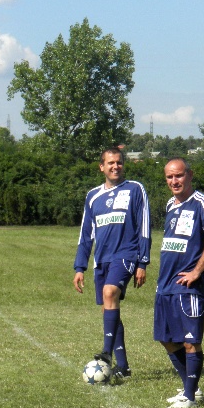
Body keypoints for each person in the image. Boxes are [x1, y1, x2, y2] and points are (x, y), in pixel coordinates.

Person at [74, 147, 151, 380]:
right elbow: (86, 234)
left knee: (110, 292)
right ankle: (123, 367)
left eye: (119, 162)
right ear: (102, 167)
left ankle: (106, 354)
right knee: (108, 308)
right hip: (102, 260)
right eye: (110, 163)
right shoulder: (93, 196)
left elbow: (144, 226)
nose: (115, 166)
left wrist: (142, 262)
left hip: (126, 254)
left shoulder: (135, 189)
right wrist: (79, 267)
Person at [156, 158, 204, 408]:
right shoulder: (170, 205)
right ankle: (191, 387)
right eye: (169, 177)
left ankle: (189, 396)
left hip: (188, 287)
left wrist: (196, 271)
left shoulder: (201, 202)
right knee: (166, 338)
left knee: (190, 341)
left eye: (179, 175)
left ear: (190, 175)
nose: (174, 181)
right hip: (165, 284)